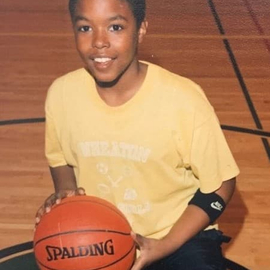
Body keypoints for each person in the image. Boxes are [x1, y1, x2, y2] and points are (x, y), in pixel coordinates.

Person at [35, 0, 240, 269]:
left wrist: (165, 244)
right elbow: (59, 157)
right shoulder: (62, 94)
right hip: (98, 236)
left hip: (178, 237)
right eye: (85, 28)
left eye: (115, 27)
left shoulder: (183, 100)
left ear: (141, 30)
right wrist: (65, 194)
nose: (99, 41)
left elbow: (221, 185)